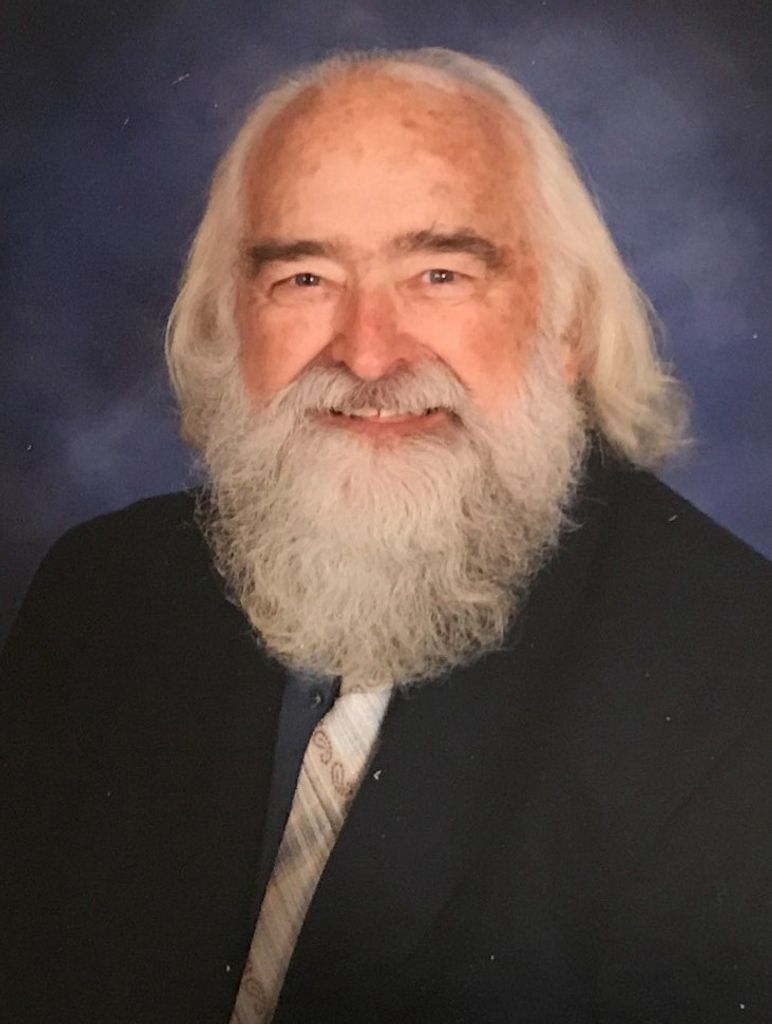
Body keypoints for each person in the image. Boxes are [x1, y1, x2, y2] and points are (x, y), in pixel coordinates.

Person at [1, 46, 770, 1024]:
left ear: (568, 325)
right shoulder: (103, 590)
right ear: (230, 323)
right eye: (305, 277)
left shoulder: (737, 678)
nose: (367, 353)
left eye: (440, 273)